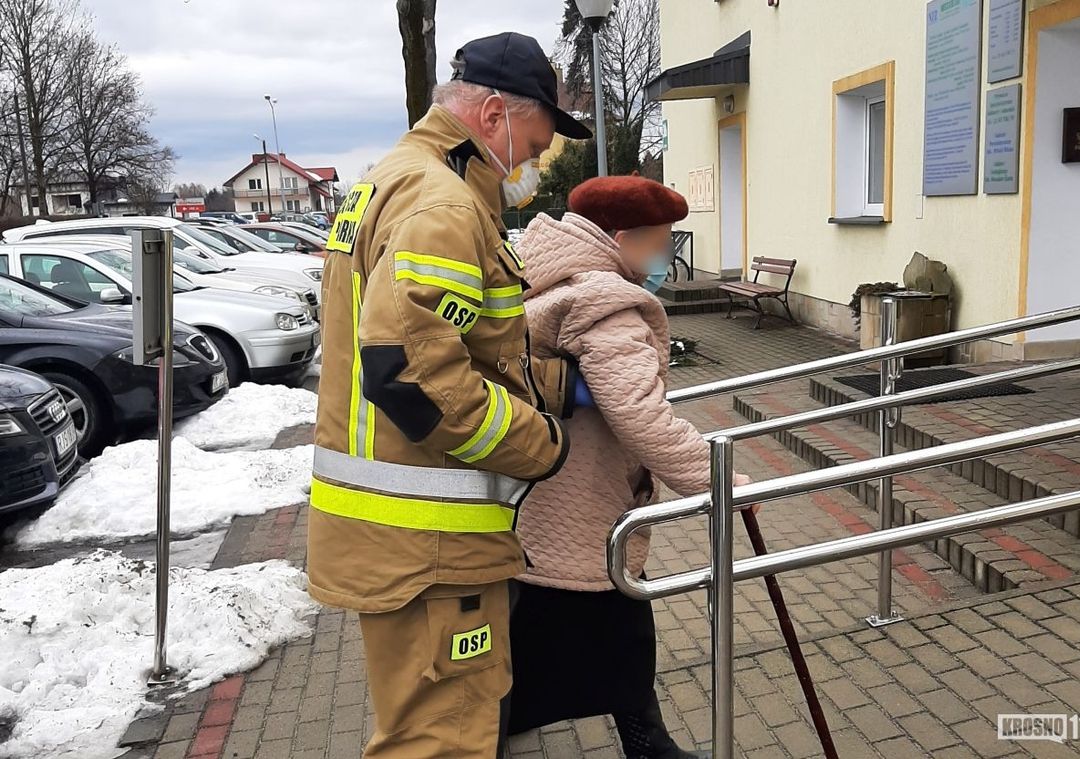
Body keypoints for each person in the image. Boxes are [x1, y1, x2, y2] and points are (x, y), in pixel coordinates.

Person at [307, 32, 592, 758]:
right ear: (494, 114)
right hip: (429, 543)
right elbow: (411, 374)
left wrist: (556, 385)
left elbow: (448, 343)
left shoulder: (395, 178)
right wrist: (542, 446)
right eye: (534, 142)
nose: (533, 163)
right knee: (441, 741)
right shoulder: (443, 203)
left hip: (399, 540)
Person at [506, 175, 751, 759]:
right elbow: (640, 413)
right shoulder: (605, 299)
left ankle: (620, 738)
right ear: (624, 238)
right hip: (582, 501)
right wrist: (717, 478)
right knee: (616, 623)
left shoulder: (548, 274)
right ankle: (646, 745)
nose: (665, 256)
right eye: (661, 242)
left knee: (556, 623)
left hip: (543, 488)